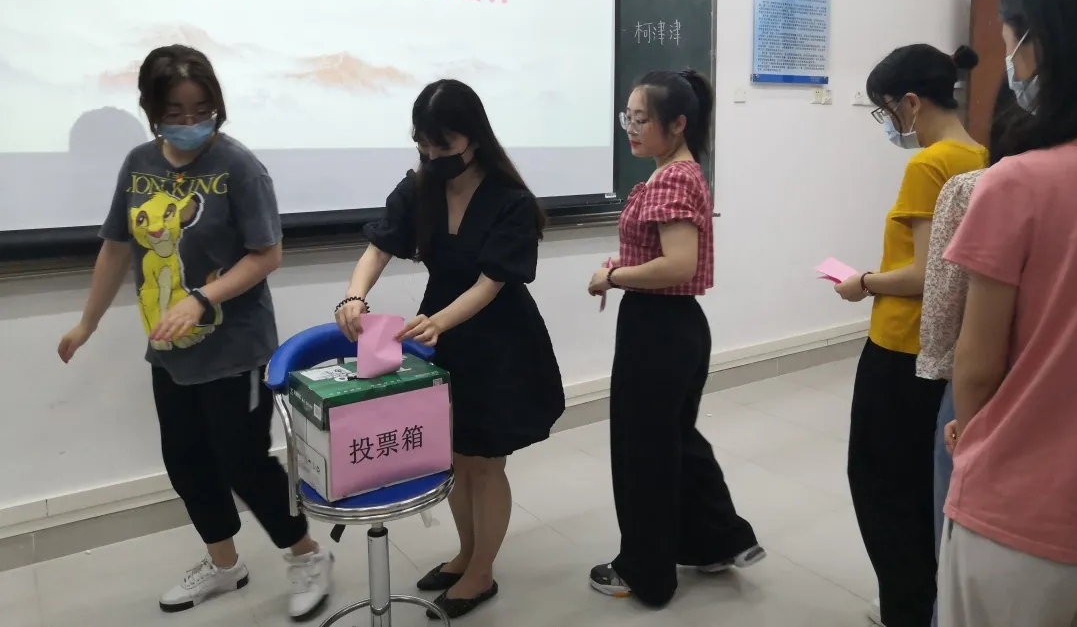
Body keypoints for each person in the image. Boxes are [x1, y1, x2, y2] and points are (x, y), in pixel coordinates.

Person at [57, 45, 333, 619]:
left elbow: (267, 254)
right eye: (175, 112)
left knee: (244, 463)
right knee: (186, 461)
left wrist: (202, 298)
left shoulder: (239, 167)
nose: (190, 122)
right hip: (170, 349)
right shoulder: (139, 163)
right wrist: (87, 321)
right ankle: (224, 565)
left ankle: (308, 555)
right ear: (151, 110)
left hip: (236, 350)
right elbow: (116, 246)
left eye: (201, 109)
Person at [334, 79, 564, 619]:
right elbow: (379, 246)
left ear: (474, 138)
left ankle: (482, 570)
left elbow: (490, 284)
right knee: (456, 457)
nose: (433, 155)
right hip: (440, 333)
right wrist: (354, 295)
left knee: (486, 462)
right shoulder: (421, 187)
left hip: (499, 340)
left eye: (444, 144)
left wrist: (438, 322)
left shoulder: (509, 201)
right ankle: (466, 554)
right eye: (423, 143)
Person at [937, 0, 1077, 627]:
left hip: (1027, 512)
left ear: (1044, 44)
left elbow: (977, 365)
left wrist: (972, 433)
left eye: (1013, 46)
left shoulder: (1019, 184)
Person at [585, 69, 764, 608]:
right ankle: (718, 539)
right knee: (674, 440)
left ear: (678, 123)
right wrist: (625, 268)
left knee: (644, 453)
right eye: (628, 117)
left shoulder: (670, 179)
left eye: (641, 119)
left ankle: (646, 572)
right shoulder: (679, 171)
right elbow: (664, 257)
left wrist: (613, 277)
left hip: (658, 330)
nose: (631, 128)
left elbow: (679, 264)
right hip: (673, 326)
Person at [833, 43, 986, 627]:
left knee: (880, 485)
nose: (889, 123)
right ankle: (925, 601)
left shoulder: (929, 164)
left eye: (886, 109)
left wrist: (864, 282)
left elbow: (926, 274)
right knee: (924, 484)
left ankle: (907, 608)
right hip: (948, 347)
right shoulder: (983, 154)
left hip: (901, 347)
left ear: (912, 103)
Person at [918, 77, 1024, 627]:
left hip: (990, 397)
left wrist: (955, 398)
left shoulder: (980, 186)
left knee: (962, 550)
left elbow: (944, 312)